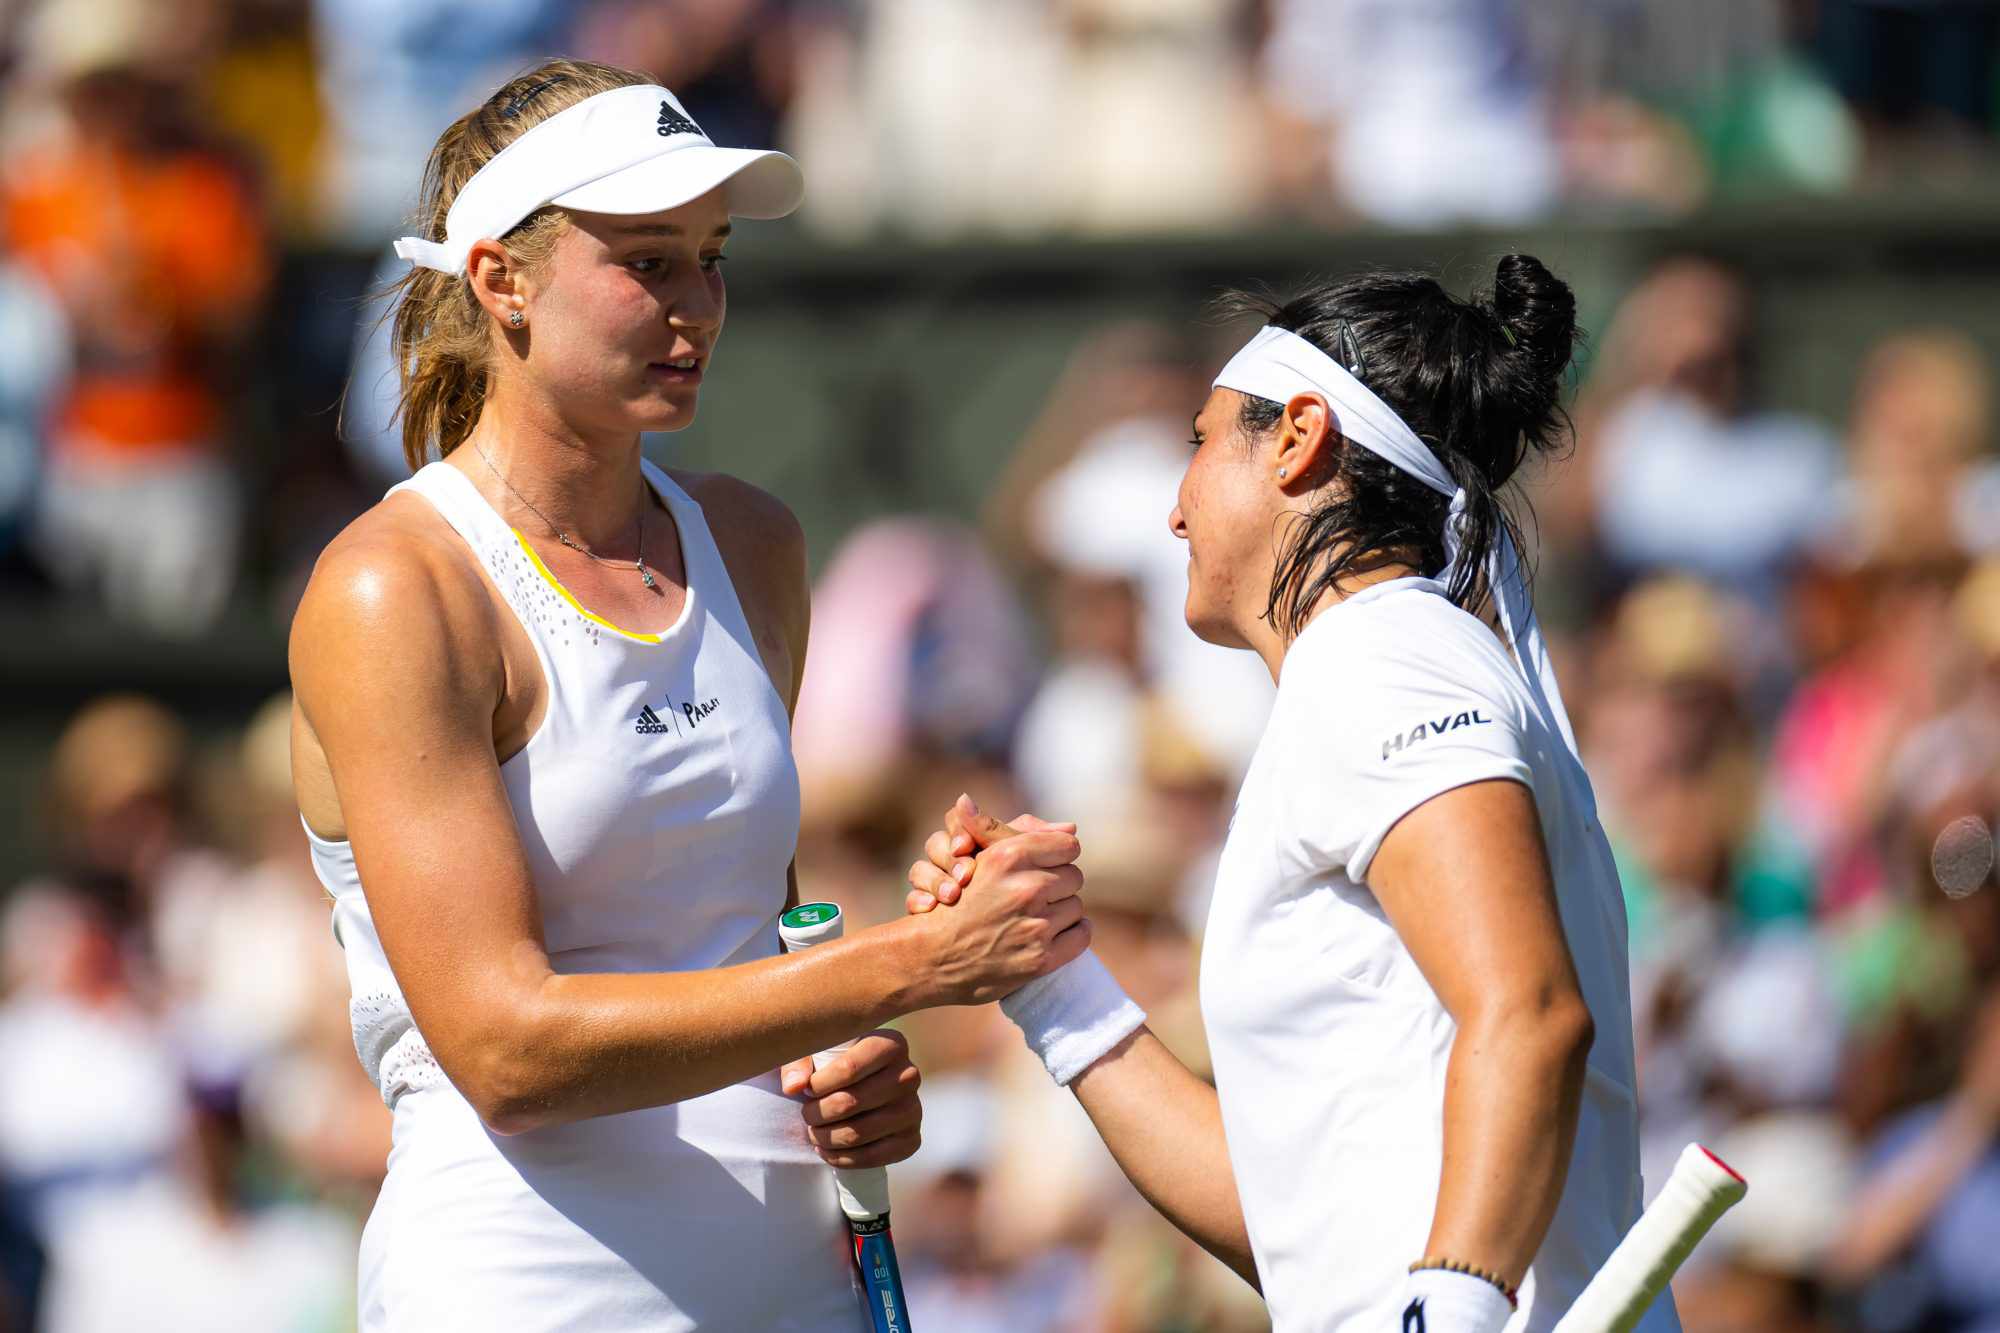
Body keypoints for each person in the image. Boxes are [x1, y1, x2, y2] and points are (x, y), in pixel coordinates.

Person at [287, 59, 1092, 1330]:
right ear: (500, 281)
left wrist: (851, 1063)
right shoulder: (395, 588)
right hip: (522, 1285)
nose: (698, 305)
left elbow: (764, 948)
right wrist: (910, 964)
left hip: (796, 1280)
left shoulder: (753, 543)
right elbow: (507, 1050)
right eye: (647, 263)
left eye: (710, 258)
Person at [911, 258, 1676, 1332]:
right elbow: (1297, 1227)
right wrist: (1049, 979)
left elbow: (1529, 1013)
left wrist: (1453, 1301)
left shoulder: (1385, 655)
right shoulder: (1375, 665)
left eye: (1197, 441)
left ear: (1298, 435)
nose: (1171, 512)